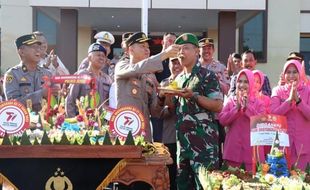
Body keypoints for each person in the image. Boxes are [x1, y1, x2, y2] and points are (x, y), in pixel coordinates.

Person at [160, 33, 223, 189]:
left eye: (186, 48)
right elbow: (173, 108)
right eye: (179, 49)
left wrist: (194, 96)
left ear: (196, 52)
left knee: (205, 185)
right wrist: (167, 95)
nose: (181, 52)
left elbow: (218, 105)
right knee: (183, 185)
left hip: (203, 145)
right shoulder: (178, 79)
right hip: (183, 145)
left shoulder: (207, 76)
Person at [114, 32, 179, 142]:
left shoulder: (150, 77)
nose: (147, 50)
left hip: (144, 135)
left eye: (148, 47)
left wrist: (162, 97)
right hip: (125, 134)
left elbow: (155, 111)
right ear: (131, 50)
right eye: (142, 46)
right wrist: (164, 54)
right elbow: (136, 69)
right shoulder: (122, 66)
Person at [219, 69, 265, 171]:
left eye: (246, 82)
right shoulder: (231, 100)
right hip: (232, 154)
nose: (242, 85)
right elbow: (222, 120)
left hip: (252, 155)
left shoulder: (259, 103)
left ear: (251, 84)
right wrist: (237, 108)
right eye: (240, 81)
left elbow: (261, 123)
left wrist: (247, 106)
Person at [270, 59, 310, 170]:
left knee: (303, 181)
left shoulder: (308, 90)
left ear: (300, 73)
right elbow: (273, 115)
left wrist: (298, 101)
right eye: (288, 72)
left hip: (303, 147)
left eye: (295, 72)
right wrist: (288, 101)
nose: (291, 75)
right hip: (282, 145)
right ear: (284, 74)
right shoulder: (277, 91)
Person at [3, 34, 58, 112]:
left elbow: (55, 104)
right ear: (21, 52)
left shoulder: (47, 74)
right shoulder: (12, 74)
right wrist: (41, 94)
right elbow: (13, 105)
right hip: (23, 121)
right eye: (34, 47)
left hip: (45, 122)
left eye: (39, 47)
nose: (38, 50)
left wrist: (59, 94)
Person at [65, 43, 112, 117]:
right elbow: (70, 101)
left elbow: (110, 102)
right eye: (98, 55)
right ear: (89, 58)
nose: (102, 58)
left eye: (103, 56)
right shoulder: (80, 75)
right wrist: (73, 122)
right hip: (83, 123)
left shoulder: (107, 79)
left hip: (102, 122)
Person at [157, 57, 182, 190]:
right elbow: (157, 113)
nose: (176, 65)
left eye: (179, 62)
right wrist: (169, 108)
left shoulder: (190, 81)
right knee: (170, 176)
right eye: (173, 62)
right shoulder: (164, 83)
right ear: (169, 64)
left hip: (188, 136)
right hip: (170, 135)